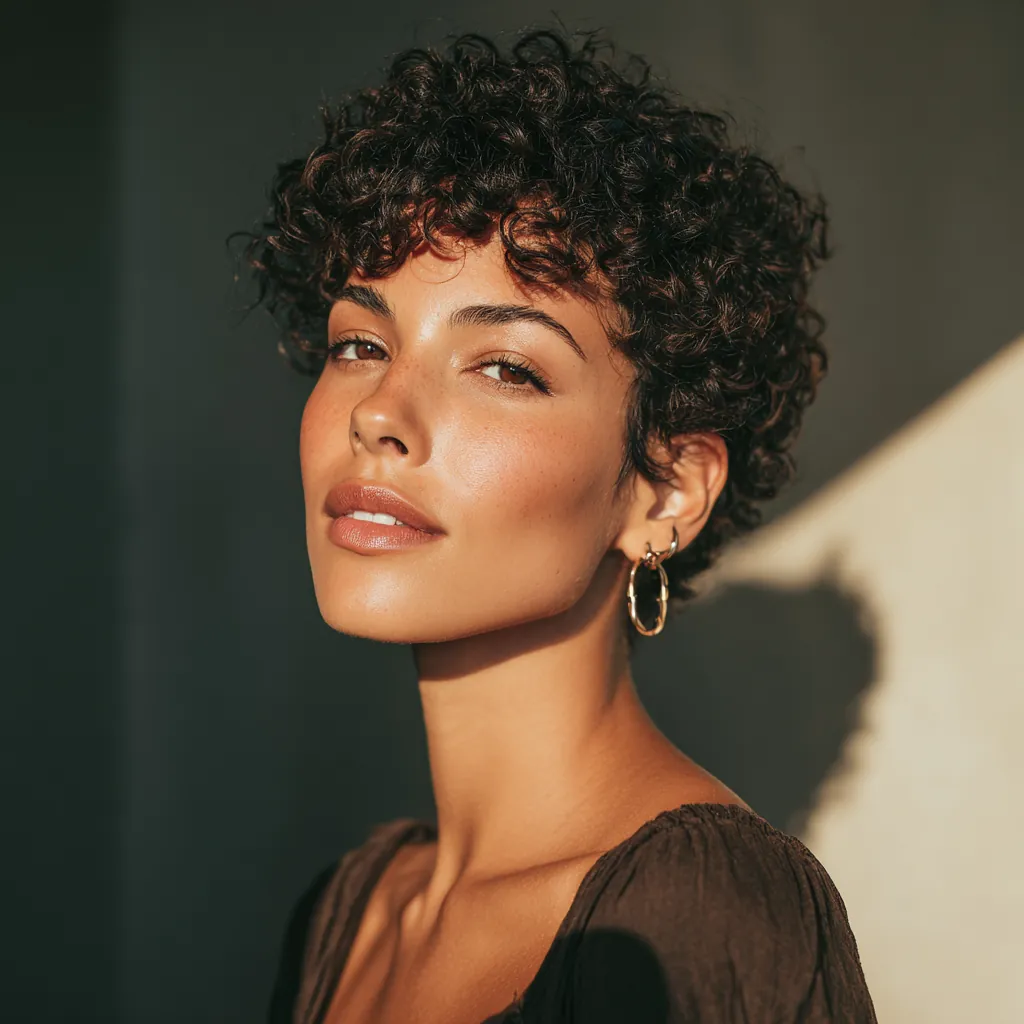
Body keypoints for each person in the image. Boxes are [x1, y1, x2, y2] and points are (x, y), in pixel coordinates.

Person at [245, 24, 877, 1024]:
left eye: (504, 366)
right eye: (361, 341)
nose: (377, 413)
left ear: (664, 489)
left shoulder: (701, 908)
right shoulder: (349, 911)